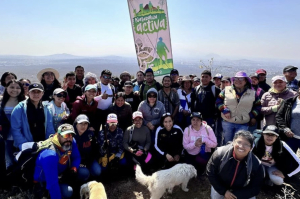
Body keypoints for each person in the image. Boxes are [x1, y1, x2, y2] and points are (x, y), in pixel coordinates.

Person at [207, 130, 264, 199]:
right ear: (233, 142)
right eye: (239, 142)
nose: (241, 146)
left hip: (242, 189)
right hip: (221, 185)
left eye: (246, 144)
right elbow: (210, 173)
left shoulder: (257, 164)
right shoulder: (219, 153)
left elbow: (256, 187)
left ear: (251, 148)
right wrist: (224, 191)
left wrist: (236, 195)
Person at [33, 124, 83, 199]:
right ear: (58, 135)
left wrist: (74, 167)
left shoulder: (71, 142)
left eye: (71, 135)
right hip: (45, 181)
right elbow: (52, 184)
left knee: (83, 173)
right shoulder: (50, 155)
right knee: (68, 192)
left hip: (60, 174)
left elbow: (77, 157)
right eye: (65, 135)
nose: (68, 139)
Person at [216, 71, 261, 144]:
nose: (238, 81)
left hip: (243, 123)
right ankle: (227, 155)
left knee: (239, 143)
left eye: (241, 79)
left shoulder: (252, 93)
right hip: (228, 122)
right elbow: (218, 101)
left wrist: (251, 116)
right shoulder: (226, 90)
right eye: (236, 79)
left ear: (246, 81)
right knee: (227, 142)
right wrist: (225, 110)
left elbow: (258, 105)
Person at [11, 83, 55, 150]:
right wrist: (25, 145)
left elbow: (50, 128)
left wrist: (49, 142)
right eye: (33, 92)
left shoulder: (46, 108)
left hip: (43, 145)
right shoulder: (20, 108)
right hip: (26, 146)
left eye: (38, 92)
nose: (36, 94)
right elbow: (15, 129)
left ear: (43, 93)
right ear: (28, 93)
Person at [0, 80, 25, 170]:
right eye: (12, 87)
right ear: (6, 88)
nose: (15, 90)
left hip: (22, 135)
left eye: (18, 88)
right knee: (8, 159)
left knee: (22, 159)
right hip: (6, 136)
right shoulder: (1, 102)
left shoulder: (25, 101)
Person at [73, 114, 101, 180]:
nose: (83, 126)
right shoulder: (71, 136)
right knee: (84, 173)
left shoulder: (90, 134)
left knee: (98, 171)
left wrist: (89, 160)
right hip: (76, 161)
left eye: (85, 123)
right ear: (76, 124)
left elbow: (95, 149)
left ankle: (88, 175)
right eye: (81, 123)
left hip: (88, 160)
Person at [276, 82, 300, 153]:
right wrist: (285, 128)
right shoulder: (289, 102)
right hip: (291, 138)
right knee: (289, 161)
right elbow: (279, 116)